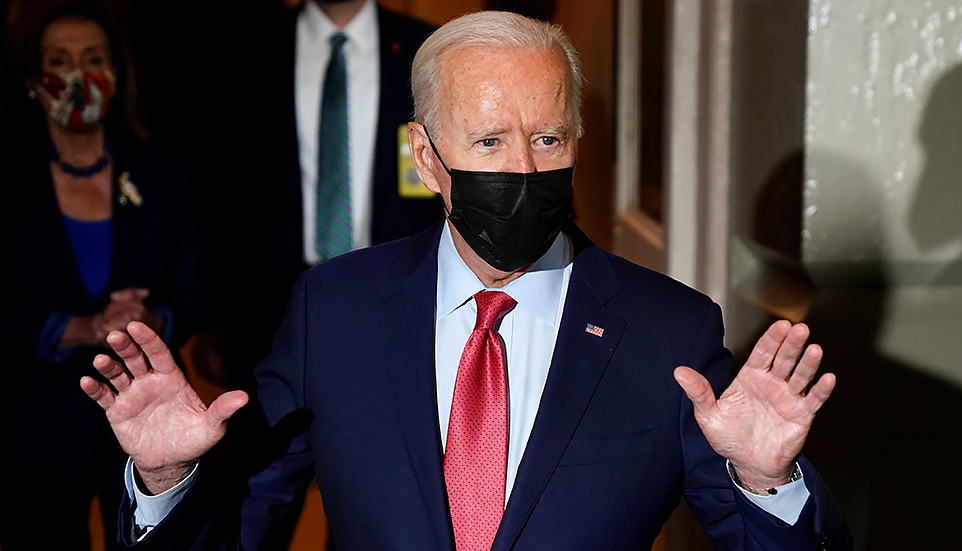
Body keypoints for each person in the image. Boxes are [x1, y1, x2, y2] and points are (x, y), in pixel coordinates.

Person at [81, 11, 851, 551]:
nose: (521, 167)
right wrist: (168, 477)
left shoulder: (667, 331)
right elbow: (239, 532)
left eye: (547, 137)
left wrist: (766, 481)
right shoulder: (334, 309)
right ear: (425, 160)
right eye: (489, 139)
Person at [0, 1, 206, 549]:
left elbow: (196, 290)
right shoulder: (6, 182)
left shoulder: (162, 171)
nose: (77, 76)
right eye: (59, 60)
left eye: (93, 59)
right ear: (30, 79)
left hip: (143, 425)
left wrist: (148, 319)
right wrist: (85, 327)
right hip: (32, 429)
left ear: (115, 75)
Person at [198, 0, 444, 387]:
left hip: (410, 316)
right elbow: (215, 195)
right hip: (266, 324)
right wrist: (212, 319)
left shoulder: (432, 51)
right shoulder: (240, 52)